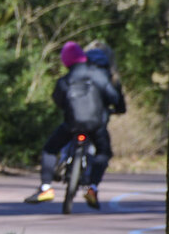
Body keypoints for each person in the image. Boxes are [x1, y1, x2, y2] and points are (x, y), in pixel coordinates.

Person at [24, 41, 123, 209]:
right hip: (96, 125)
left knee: (50, 149)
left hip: (72, 124)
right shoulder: (98, 75)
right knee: (104, 152)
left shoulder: (65, 80)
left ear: (66, 62)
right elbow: (113, 97)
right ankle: (92, 188)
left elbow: (58, 100)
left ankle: (46, 188)